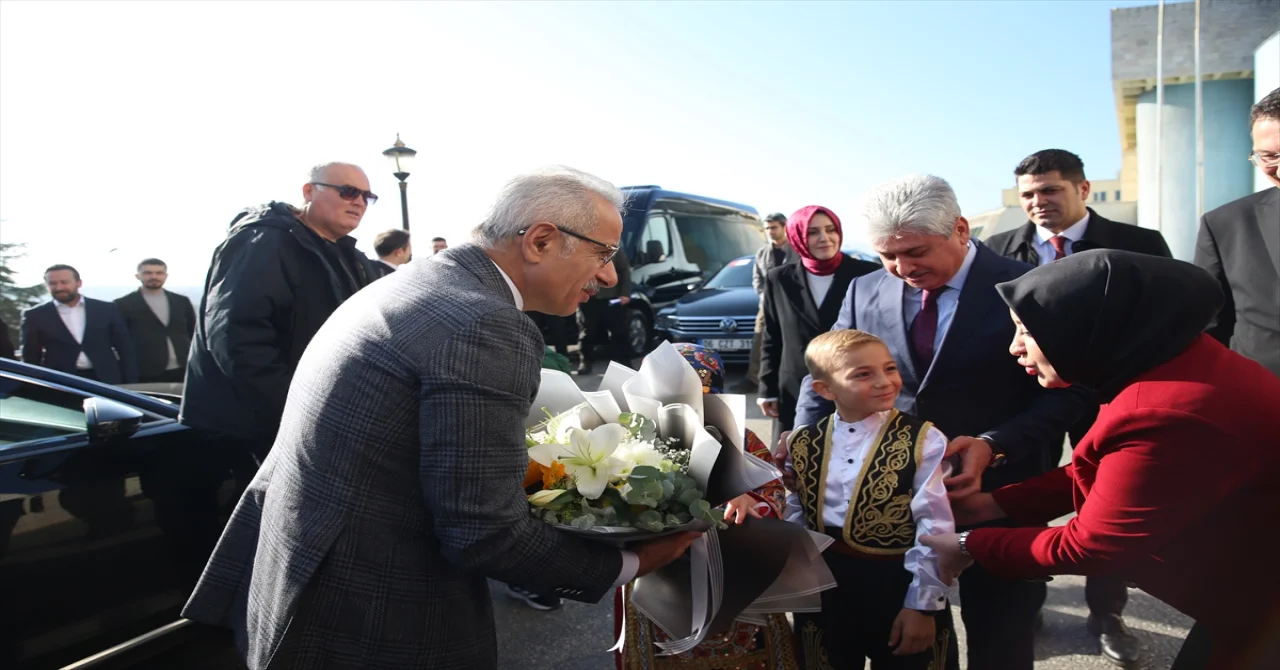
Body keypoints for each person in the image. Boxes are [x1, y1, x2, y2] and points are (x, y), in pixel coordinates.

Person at [181, 166, 700, 670]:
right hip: (373, 614)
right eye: (603, 253)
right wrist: (632, 561)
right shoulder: (484, 321)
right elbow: (483, 531)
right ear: (541, 240)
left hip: (307, 577)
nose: (609, 275)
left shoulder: (419, 283)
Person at [920, 250, 1280, 670]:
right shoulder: (1167, 361)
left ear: (1086, 327)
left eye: (1026, 331)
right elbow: (1111, 468)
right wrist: (994, 504)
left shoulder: (1161, 410)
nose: (1014, 348)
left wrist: (967, 545)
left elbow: (1092, 545)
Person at [787, 174, 1090, 670]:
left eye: (916, 252)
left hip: (996, 492)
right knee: (908, 639)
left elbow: (1071, 390)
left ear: (962, 230)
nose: (902, 268)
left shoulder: (1027, 285)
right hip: (885, 508)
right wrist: (805, 444)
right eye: (889, 255)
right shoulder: (865, 289)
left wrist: (995, 444)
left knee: (1002, 631)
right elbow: (824, 373)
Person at [986, 148, 1173, 665]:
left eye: (1050, 191)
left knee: (1101, 502)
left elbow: (1160, 321)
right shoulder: (1000, 249)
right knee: (1024, 495)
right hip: (1029, 403)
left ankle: (1107, 611)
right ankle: (1029, 597)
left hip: (1111, 397)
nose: (1038, 203)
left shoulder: (1137, 244)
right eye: (1028, 195)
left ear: (1082, 190)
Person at [766, 329, 956, 668]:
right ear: (824, 389)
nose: (885, 381)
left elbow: (934, 525)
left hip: (897, 583)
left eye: (890, 368)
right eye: (863, 374)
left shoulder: (923, 439)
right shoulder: (802, 441)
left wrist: (923, 604)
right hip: (827, 585)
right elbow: (797, 513)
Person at [180, 162, 379, 461]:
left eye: (367, 196)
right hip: (258, 427)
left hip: (319, 418)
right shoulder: (263, 241)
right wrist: (298, 408)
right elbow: (236, 338)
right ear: (309, 191)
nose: (358, 202)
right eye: (348, 191)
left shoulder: (348, 255)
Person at [615, 343, 795, 670]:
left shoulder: (741, 437)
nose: (690, 407)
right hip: (660, 568)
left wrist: (748, 500)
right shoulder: (630, 438)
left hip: (734, 568)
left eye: (703, 397)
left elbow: (773, 487)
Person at [758, 206, 879, 432]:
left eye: (830, 229)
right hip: (795, 387)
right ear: (797, 236)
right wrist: (767, 388)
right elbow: (772, 337)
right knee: (798, 459)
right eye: (813, 232)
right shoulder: (779, 279)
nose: (824, 238)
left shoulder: (868, 274)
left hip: (855, 388)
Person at [1195, 86, 1280, 378]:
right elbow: (1208, 328)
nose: (1278, 167)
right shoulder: (1225, 224)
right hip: (1265, 405)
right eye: (1267, 156)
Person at [20, 264, 137, 384]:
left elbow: (125, 347)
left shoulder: (106, 309)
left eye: (64, 282)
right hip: (60, 382)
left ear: (78, 283)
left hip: (106, 379)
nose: (59, 287)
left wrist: (130, 381)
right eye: (52, 283)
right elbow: (31, 355)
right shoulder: (34, 315)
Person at [114, 258, 197, 383]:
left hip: (184, 366)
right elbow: (119, 339)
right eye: (148, 273)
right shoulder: (123, 304)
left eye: (159, 273)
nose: (154, 276)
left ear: (166, 276)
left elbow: (193, 332)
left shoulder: (181, 301)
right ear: (138, 276)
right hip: (146, 370)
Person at [742, 212, 797, 392]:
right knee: (760, 339)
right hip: (767, 305)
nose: (770, 232)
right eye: (767, 228)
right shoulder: (763, 252)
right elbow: (757, 279)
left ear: (784, 227)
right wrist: (765, 297)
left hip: (793, 304)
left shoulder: (797, 250)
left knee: (792, 340)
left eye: (773, 227)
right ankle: (753, 379)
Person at [577, 250, 632, 375]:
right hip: (588, 299)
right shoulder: (582, 248)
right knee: (587, 333)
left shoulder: (614, 250)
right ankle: (586, 362)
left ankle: (624, 362)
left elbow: (624, 271)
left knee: (619, 331)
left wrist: (625, 293)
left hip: (612, 299)